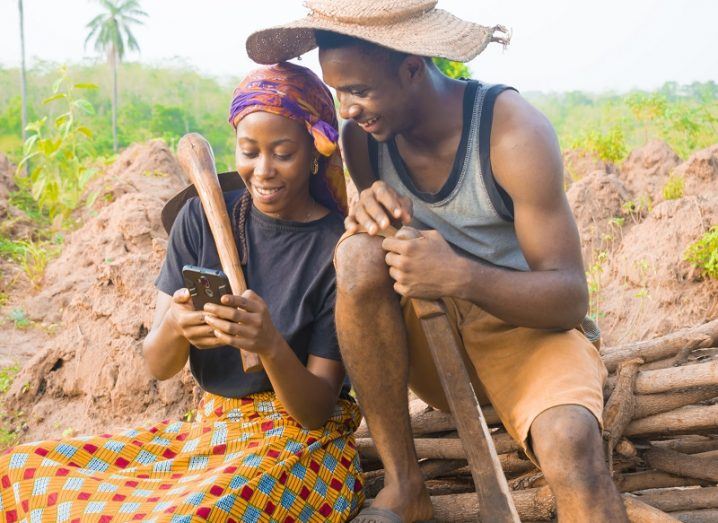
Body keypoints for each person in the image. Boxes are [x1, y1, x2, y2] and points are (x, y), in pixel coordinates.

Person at [246, 2, 627, 522]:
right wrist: (372, 219)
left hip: (530, 332)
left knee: (571, 445)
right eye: (339, 94)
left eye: (359, 91)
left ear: (411, 67)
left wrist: (462, 274)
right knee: (356, 254)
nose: (349, 110)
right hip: (434, 336)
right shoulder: (365, 140)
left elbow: (568, 297)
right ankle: (406, 489)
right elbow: (380, 267)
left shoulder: (511, 134)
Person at [0, 62, 364, 522]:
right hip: (211, 434)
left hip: (301, 448)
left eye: (283, 153)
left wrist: (269, 344)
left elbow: (315, 410)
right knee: (21, 468)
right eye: (249, 150)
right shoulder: (200, 218)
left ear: (315, 151)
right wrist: (175, 326)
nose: (263, 170)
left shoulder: (338, 247)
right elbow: (159, 364)